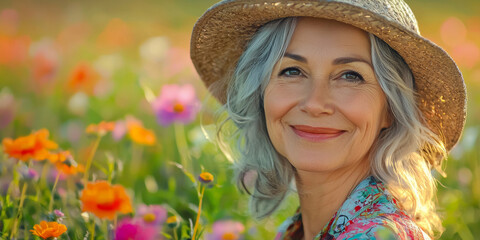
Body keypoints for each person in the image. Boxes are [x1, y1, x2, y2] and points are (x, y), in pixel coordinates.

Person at [190, 0, 466, 239]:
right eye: (292, 71)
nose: (314, 103)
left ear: (390, 109)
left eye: (350, 76)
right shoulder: (294, 230)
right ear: (260, 93)